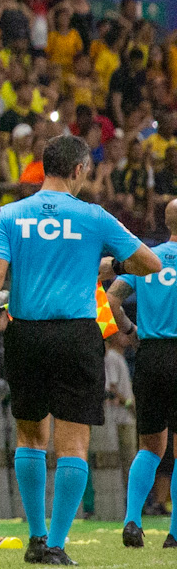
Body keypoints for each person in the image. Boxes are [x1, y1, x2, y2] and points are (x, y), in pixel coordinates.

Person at [0, 133, 161, 565]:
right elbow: (151, 263)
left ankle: (35, 537)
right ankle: (57, 544)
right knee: (73, 444)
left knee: (30, 437)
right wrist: (109, 263)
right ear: (79, 170)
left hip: (25, 335)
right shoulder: (93, 216)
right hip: (75, 336)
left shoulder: (11, 214)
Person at [115, 196, 177, 548]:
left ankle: (133, 521)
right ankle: (175, 534)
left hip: (150, 356)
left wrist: (130, 331)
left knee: (150, 447)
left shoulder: (147, 259)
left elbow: (112, 298)